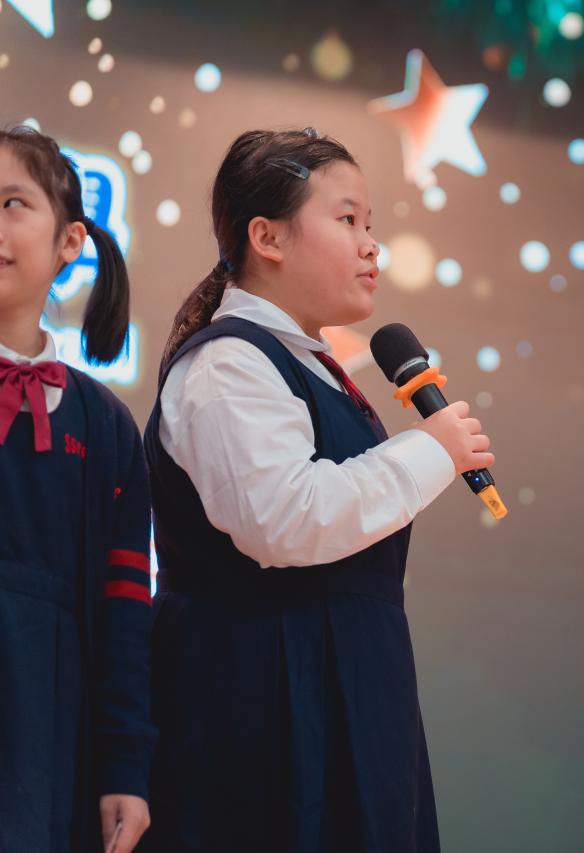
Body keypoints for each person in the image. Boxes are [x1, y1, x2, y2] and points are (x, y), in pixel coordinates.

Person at [141, 128, 493, 852]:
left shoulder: (306, 365)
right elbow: (283, 519)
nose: (371, 246)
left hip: (347, 696)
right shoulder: (228, 365)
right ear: (267, 236)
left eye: (370, 225)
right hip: (261, 709)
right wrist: (430, 450)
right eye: (348, 219)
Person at [0, 125, 155, 852]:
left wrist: (125, 767)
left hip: (46, 734)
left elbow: (125, 618)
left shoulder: (108, 428)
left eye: (12, 203)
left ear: (69, 242)